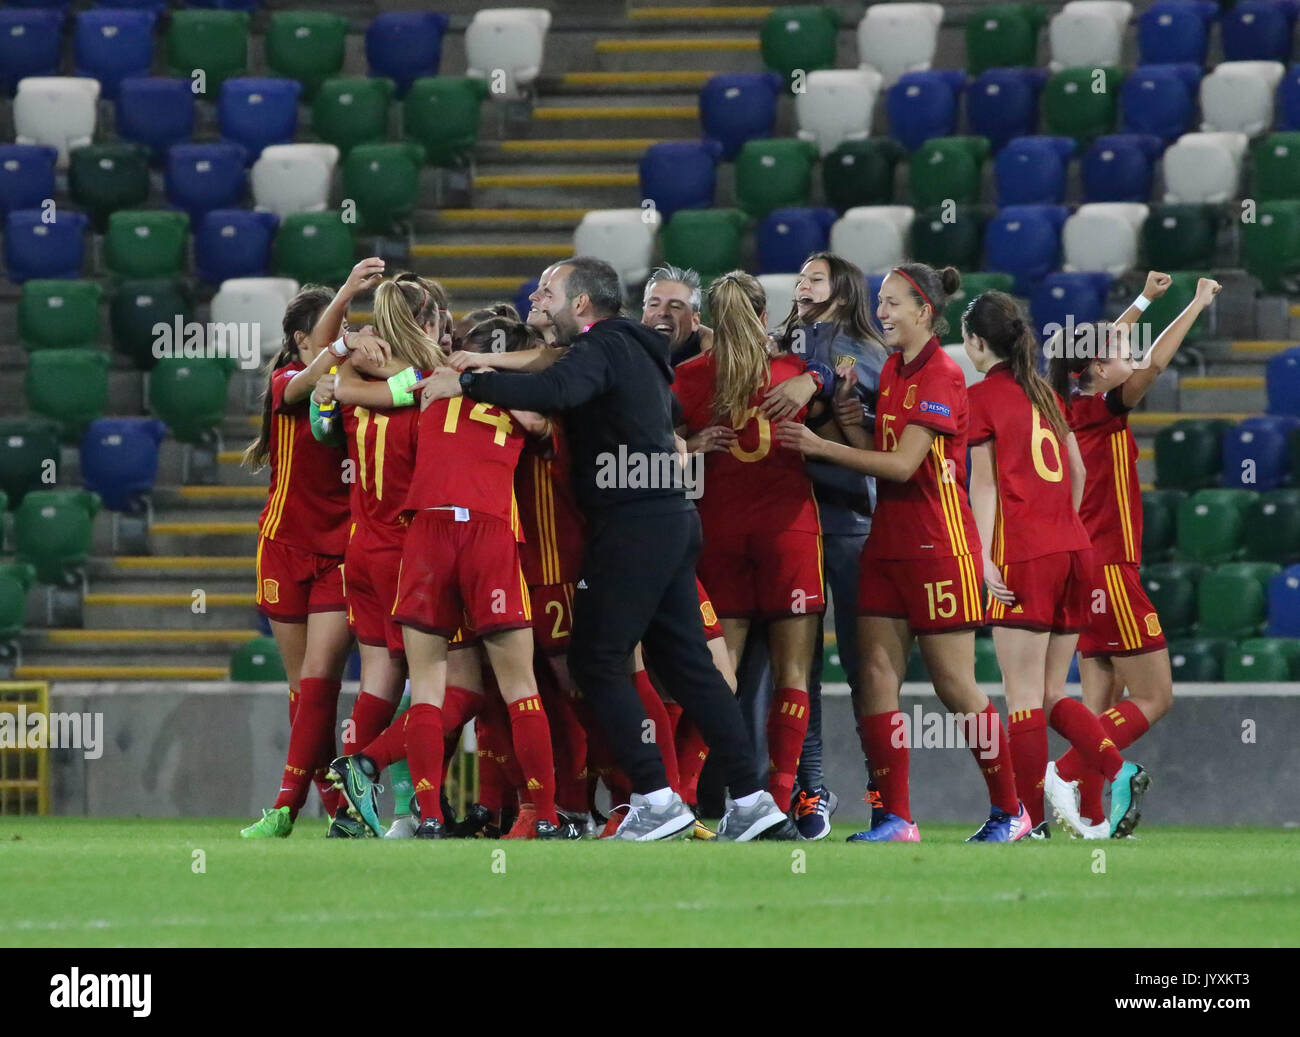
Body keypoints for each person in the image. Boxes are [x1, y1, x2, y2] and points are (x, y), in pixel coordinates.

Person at [417, 257, 793, 841]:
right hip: (668, 516)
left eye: (548, 291)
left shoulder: (599, 347)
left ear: (582, 305)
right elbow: (564, 369)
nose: (537, 298)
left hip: (632, 526)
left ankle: (656, 798)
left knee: (596, 659)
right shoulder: (635, 348)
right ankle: (752, 802)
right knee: (688, 665)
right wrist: (488, 360)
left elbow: (559, 386)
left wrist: (467, 381)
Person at [778, 262, 1029, 843]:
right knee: (874, 676)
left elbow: (901, 465)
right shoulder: (891, 368)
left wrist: (821, 445)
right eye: (880, 302)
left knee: (954, 686)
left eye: (894, 303)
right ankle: (894, 817)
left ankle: (1011, 810)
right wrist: (848, 424)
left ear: (925, 313)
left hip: (939, 545)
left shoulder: (942, 374)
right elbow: (882, 450)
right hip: (887, 544)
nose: (882, 312)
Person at [325, 308, 576, 840]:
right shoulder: (526, 401)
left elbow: (341, 390)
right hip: (487, 531)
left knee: (429, 689)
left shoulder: (427, 383)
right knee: (519, 688)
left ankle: (428, 816)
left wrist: (351, 346)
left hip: (426, 534)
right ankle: (549, 818)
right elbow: (544, 405)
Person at [963, 290, 1149, 840]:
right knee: (1049, 696)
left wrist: (982, 555)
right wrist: (1061, 523)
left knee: (1019, 696)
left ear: (976, 342)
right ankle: (1100, 782)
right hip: (1075, 551)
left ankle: (1028, 817)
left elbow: (984, 483)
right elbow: (1078, 471)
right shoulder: (1045, 392)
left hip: (1027, 553)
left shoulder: (983, 396)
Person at [1047, 273, 1221, 835]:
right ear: (1098, 371)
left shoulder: (1067, 400)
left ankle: (1092, 817)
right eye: (1119, 352)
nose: (1130, 351)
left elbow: (1097, 349)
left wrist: (1144, 299)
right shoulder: (1100, 407)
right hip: (1109, 566)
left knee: (1101, 703)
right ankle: (1063, 773)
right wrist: (1194, 303)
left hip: (1080, 567)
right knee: (1154, 695)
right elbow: (1152, 366)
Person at [238, 258, 386, 838]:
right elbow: (302, 386)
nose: (346, 334)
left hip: (341, 553)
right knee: (303, 691)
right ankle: (339, 806)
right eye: (333, 325)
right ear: (305, 338)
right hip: (283, 548)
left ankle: (284, 804)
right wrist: (345, 314)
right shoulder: (285, 385)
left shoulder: (356, 388)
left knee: (321, 681)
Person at [672, 271, 823, 814]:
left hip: (719, 533)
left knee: (717, 675)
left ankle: (685, 797)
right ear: (764, 317)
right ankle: (778, 800)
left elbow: (655, 445)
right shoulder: (794, 373)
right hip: (789, 532)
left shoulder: (688, 377)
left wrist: (690, 443)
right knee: (794, 675)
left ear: (711, 319)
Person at [764, 251, 888, 839]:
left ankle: (885, 791)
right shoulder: (784, 340)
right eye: (801, 275)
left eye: (815, 277)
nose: (802, 283)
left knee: (866, 668)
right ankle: (810, 790)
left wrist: (810, 377)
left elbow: (856, 373)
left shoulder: (860, 343)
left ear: (843, 289)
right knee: (799, 667)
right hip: (793, 519)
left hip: (849, 521)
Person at [642, 264, 714, 365]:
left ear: (695, 320)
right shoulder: (624, 352)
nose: (663, 312)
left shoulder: (713, 366)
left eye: (675, 306)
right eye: (654, 304)